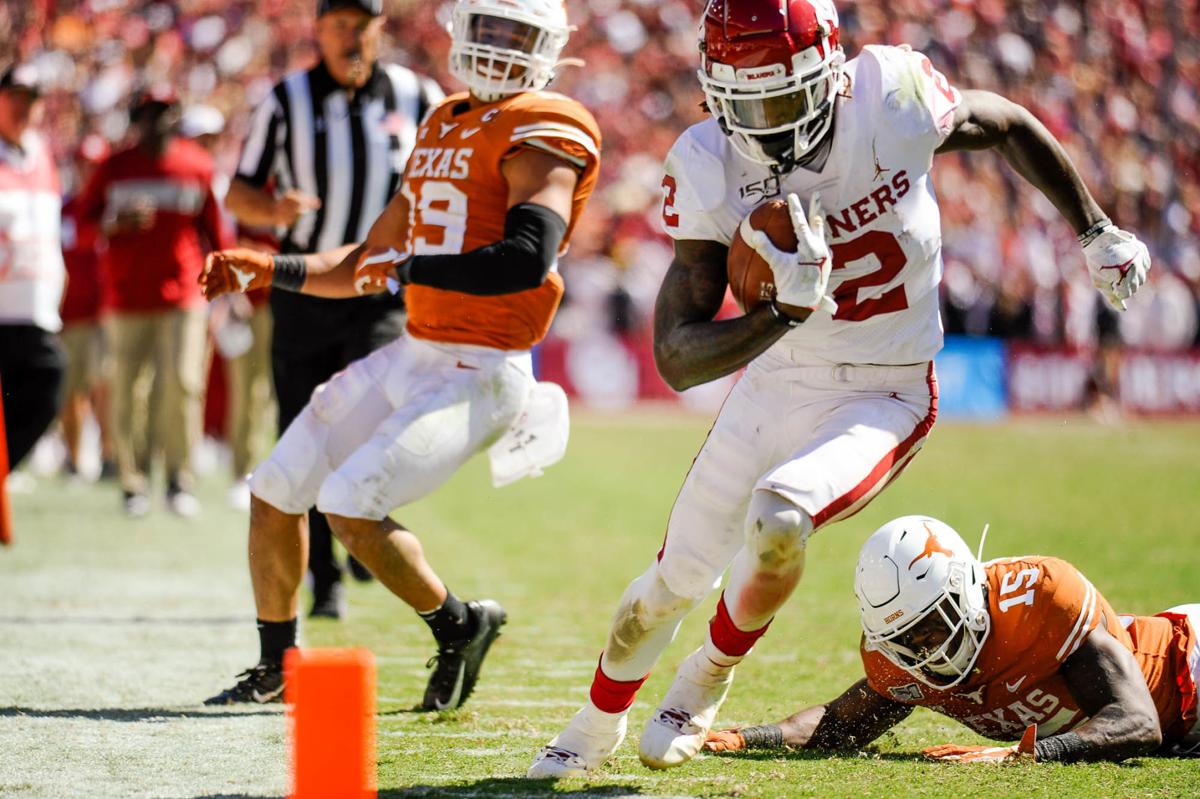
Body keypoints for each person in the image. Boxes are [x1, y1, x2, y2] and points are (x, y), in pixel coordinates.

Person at [528, 0, 1152, 777]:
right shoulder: (709, 161)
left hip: (885, 389)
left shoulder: (890, 96)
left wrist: (1094, 229)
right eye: (745, 103)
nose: (767, 125)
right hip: (779, 377)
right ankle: (595, 723)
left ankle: (705, 679)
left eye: (783, 98)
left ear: (828, 74)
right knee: (669, 581)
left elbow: (1006, 123)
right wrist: (779, 317)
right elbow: (678, 357)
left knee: (780, 517)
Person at [201, 0, 601, 711]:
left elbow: (524, 259)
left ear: (549, 47)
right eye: (488, 28)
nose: (498, 48)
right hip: (417, 349)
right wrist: (270, 268)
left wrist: (414, 270)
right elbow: (366, 260)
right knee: (274, 489)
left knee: (349, 502)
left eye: (518, 36)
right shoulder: (444, 118)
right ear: (459, 30)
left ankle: (459, 624)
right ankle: (277, 665)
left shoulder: (548, 125)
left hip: (481, 367)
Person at [224, 0, 444, 618]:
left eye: (362, 24)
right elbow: (240, 190)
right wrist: (272, 212)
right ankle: (325, 577)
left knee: (371, 419)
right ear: (317, 30)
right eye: (338, 25)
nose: (351, 37)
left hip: (379, 293)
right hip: (304, 291)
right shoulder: (285, 99)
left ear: (380, 28)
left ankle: (360, 525)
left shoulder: (417, 94)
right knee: (303, 428)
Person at [703, 515, 1199, 762]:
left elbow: (1136, 722)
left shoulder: (1041, 597)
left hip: (1189, 665)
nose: (925, 651)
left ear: (965, 591)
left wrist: (1026, 754)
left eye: (933, 626)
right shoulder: (898, 660)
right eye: (905, 640)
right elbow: (839, 724)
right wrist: (754, 736)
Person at [77, 86, 232, 517]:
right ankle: (133, 479)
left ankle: (181, 478)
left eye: (164, 112)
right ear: (136, 118)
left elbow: (216, 235)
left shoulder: (196, 166)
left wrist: (226, 288)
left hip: (184, 294)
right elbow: (85, 226)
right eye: (149, 113)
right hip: (126, 298)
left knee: (184, 384)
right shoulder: (113, 168)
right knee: (128, 389)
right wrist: (114, 224)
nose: (157, 121)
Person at [0, 62, 66, 474]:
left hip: (36, 309)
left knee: (48, 385)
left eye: (32, 100)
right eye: (15, 98)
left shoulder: (42, 154)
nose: (24, 108)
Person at [58, 133, 115, 480]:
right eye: (83, 163)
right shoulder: (62, 209)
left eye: (93, 165)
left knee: (104, 386)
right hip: (69, 313)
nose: (87, 171)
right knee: (71, 390)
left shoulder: (112, 208)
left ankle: (110, 455)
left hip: (104, 313)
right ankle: (73, 458)